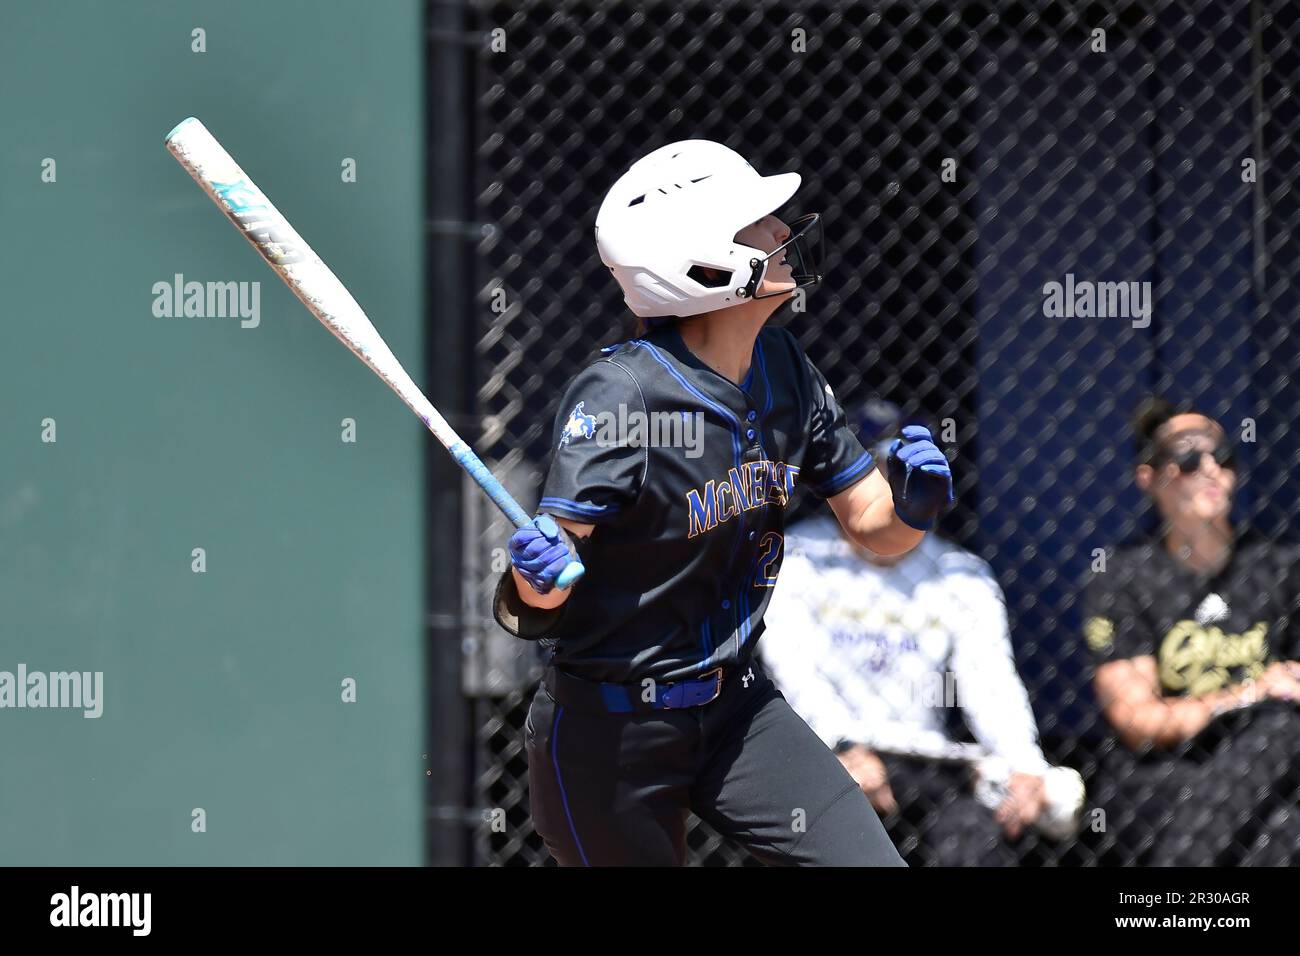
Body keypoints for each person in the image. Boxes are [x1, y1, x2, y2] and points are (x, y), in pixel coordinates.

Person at [491, 140, 953, 866]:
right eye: (758, 224)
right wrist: (535, 571)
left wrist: (915, 509)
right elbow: (541, 597)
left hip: (737, 714)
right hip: (610, 731)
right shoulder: (624, 395)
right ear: (704, 265)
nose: (781, 232)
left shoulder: (783, 366)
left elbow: (873, 526)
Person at [763, 400, 1083, 866]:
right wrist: (841, 747)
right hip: (823, 753)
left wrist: (1025, 767)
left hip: (926, 763)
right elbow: (792, 673)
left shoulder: (961, 573)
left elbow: (990, 684)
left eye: (906, 476)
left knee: (976, 838)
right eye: (877, 473)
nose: (894, 491)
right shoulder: (796, 556)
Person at [1086, 397, 1300, 865]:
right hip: (1162, 770)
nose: (1209, 469)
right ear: (1150, 477)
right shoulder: (1123, 577)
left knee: (1283, 732)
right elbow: (1139, 723)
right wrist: (1248, 693)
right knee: (1279, 831)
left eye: (1221, 456)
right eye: (1187, 458)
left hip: (1272, 758)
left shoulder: (1282, 569)